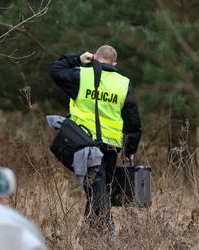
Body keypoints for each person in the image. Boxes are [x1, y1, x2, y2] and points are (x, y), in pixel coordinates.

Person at [49, 45, 142, 232]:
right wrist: (129, 150)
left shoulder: (81, 76)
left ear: (94, 59)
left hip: (83, 144)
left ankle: (101, 233)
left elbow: (55, 69)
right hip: (110, 148)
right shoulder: (124, 83)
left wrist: (77, 58)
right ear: (115, 63)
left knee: (97, 192)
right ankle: (101, 233)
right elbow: (133, 122)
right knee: (98, 190)